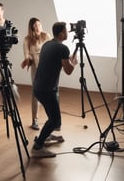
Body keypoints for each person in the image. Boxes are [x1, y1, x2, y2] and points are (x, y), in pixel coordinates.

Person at [31, 22, 78, 158]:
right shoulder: (62, 48)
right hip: (47, 90)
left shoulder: (47, 44)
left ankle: (45, 136)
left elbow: (60, 60)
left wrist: (70, 60)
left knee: (52, 116)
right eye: (66, 31)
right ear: (61, 33)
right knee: (55, 120)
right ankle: (38, 147)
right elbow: (68, 70)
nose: (68, 33)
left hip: (38, 88)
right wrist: (74, 63)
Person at [21, 17, 51, 130]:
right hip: (36, 69)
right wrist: (27, 59)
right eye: (35, 26)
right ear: (31, 28)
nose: (38, 27)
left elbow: (51, 50)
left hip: (47, 68)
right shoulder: (27, 39)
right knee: (36, 93)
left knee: (49, 93)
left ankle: (52, 119)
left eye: (39, 24)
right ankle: (35, 120)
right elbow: (26, 54)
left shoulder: (46, 36)